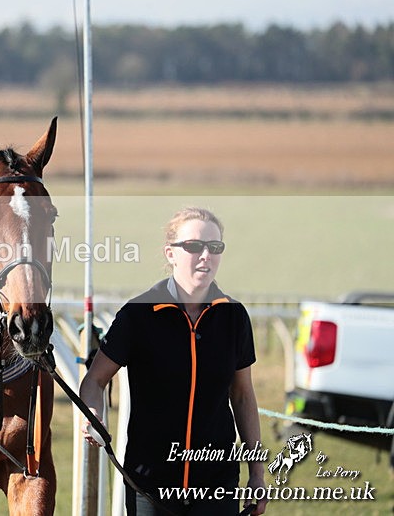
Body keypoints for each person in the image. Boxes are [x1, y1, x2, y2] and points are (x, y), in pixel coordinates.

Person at [79, 207, 267, 515]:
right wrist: (94, 416)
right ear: (171, 253)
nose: (206, 255)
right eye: (194, 246)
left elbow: (243, 396)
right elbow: (95, 380)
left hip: (217, 483)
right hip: (149, 482)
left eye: (214, 247)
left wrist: (257, 474)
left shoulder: (234, 317)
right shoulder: (138, 314)